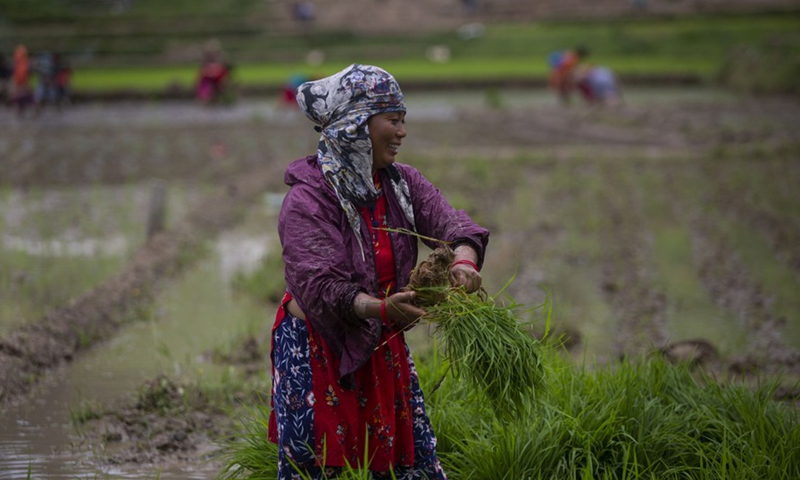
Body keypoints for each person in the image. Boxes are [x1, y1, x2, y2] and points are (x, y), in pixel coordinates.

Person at [268, 64, 489, 479]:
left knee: (406, 466)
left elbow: (452, 225)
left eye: (403, 120)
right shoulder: (308, 199)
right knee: (325, 468)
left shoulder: (400, 184)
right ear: (356, 125)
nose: (402, 132)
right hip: (318, 351)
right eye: (392, 120)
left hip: (381, 345)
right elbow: (320, 286)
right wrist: (380, 309)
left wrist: (463, 259)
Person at [11, 44, 33, 118]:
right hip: (19, 84)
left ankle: (23, 113)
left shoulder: (25, 64)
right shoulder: (18, 64)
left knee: (25, 99)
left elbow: (26, 75)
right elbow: (16, 75)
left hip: (24, 84)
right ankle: (20, 114)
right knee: (20, 100)